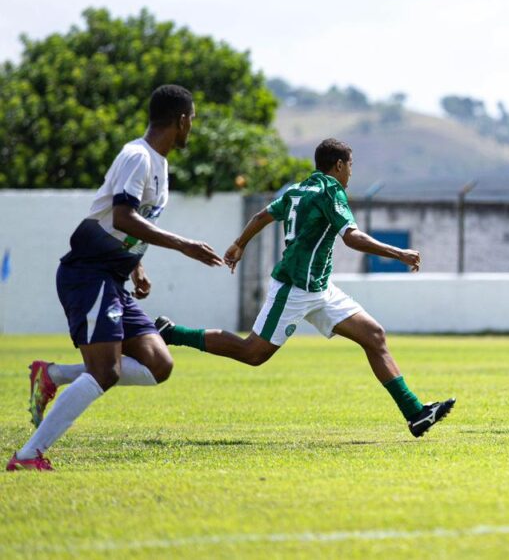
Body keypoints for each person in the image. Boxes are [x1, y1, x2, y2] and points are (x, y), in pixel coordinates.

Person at [157, 138, 455, 437]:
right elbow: (351, 237)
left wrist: (240, 243)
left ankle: (415, 413)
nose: (350, 174)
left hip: (320, 288)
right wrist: (399, 253)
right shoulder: (330, 190)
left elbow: (262, 216)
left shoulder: (298, 190)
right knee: (253, 353)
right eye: (350, 166)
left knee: (373, 335)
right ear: (338, 165)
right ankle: (171, 332)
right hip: (294, 287)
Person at [7, 85, 224, 471]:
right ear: (182, 120)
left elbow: (125, 224)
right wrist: (184, 244)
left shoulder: (159, 163)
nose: (192, 127)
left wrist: (137, 266)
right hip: (87, 275)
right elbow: (123, 216)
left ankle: (51, 375)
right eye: (192, 120)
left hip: (113, 279)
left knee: (160, 364)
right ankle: (27, 456)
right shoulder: (136, 156)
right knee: (105, 371)